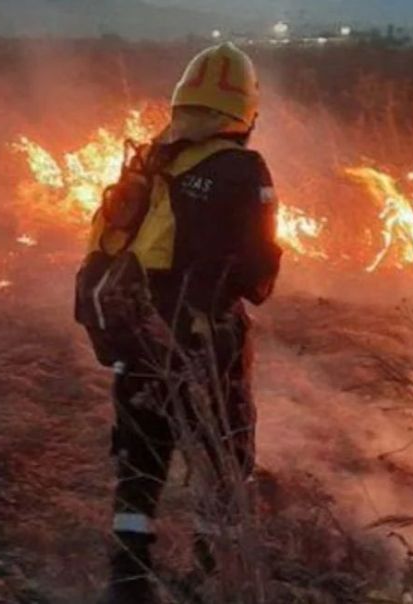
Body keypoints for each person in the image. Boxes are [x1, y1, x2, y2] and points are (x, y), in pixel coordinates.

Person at [73, 42, 281, 603]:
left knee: (140, 467)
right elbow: (258, 279)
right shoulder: (243, 169)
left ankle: (128, 583)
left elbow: (107, 247)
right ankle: (213, 583)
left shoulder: (150, 161)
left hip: (136, 341)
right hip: (205, 345)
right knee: (222, 464)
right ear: (245, 113)